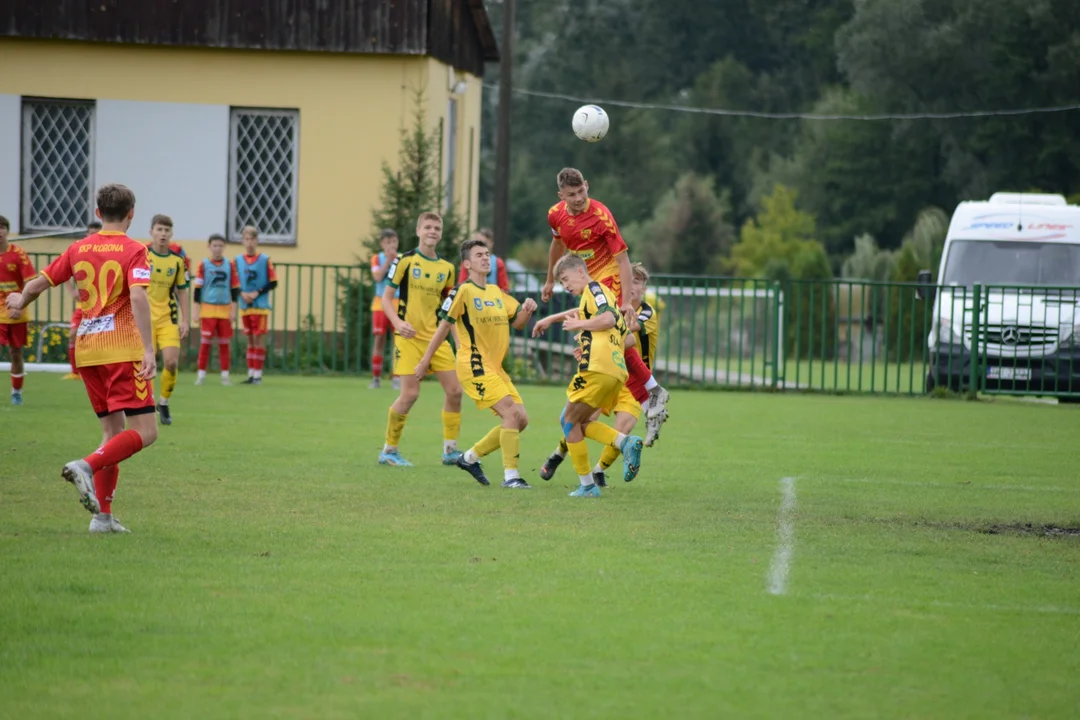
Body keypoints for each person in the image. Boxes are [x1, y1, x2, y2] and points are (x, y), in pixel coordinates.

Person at [5, 183, 158, 533]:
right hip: (121, 350)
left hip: (88, 351)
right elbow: (137, 297)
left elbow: (40, 282)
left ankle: (102, 518)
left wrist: (20, 301)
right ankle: (85, 465)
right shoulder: (136, 250)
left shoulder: (78, 248)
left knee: (111, 433)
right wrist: (149, 349)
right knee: (146, 431)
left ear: (98, 212)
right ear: (132, 214)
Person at [543, 168, 670, 445]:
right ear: (561, 195)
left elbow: (623, 260)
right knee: (621, 342)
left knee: (614, 339)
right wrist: (550, 279)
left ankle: (651, 394)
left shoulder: (601, 216)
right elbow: (556, 245)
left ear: (587, 185)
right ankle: (651, 396)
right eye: (571, 194)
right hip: (584, 280)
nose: (578, 198)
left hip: (607, 277)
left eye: (582, 192)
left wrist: (625, 302)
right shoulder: (555, 215)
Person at [416, 238, 538, 488]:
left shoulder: (496, 293)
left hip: (496, 368)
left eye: (488, 254)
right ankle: (511, 477)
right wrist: (425, 360)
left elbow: (519, 323)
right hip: (474, 367)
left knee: (520, 420)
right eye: (480, 255)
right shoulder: (462, 291)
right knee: (512, 414)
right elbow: (444, 327)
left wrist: (528, 309)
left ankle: (469, 458)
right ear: (468, 264)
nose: (486, 258)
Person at [532, 254, 644, 498]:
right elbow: (629, 338)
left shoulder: (594, 290)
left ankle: (588, 486)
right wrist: (589, 344)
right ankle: (623, 443)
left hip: (597, 369)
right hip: (614, 372)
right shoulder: (603, 297)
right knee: (580, 423)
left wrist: (579, 326)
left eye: (565, 279)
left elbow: (609, 319)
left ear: (581, 272)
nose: (565, 285)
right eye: (561, 282)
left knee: (568, 422)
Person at [378, 212, 463, 467]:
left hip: (436, 339)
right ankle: (389, 451)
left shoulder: (447, 268)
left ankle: (450, 451)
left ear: (441, 233)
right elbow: (386, 298)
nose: (432, 231)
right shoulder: (405, 261)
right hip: (409, 339)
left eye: (437, 228)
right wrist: (398, 323)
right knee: (410, 395)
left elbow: (451, 311)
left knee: (455, 391)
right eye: (428, 227)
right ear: (418, 230)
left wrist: (459, 343)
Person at [145, 214, 189, 424]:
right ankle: (144, 404)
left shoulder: (178, 262)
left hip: (167, 318)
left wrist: (186, 320)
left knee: (171, 362)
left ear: (171, 234)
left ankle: (163, 402)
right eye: (159, 230)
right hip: (144, 319)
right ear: (151, 232)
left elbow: (183, 291)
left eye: (166, 230)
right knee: (146, 365)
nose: (163, 234)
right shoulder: (142, 256)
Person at [192, 234, 239, 385]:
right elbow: (197, 289)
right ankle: (201, 375)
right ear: (209, 247)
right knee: (205, 343)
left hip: (224, 309)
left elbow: (234, 289)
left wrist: (233, 310)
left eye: (220, 245)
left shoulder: (230, 265)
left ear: (224, 247)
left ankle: (225, 375)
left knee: (224, 344)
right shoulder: (204, 265)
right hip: (208, 309)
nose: (217, 248)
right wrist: (195, 309)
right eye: (214, 245)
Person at [0, 215, 35, 405]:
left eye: (2, 227)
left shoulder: (18, 254)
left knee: (15, 353)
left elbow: (30, 283)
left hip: (16, 312)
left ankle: (16, 391)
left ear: (7, 231)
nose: (0, 231)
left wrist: (21, 306)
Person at [236, 225, 277, 385]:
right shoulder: (238, 261)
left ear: (257, 240)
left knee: (258, 338)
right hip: (245, 305)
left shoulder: (265, 260)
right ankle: (251, 374)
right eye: (246, 239)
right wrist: (241, 293)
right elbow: (234, 282)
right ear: (242, 241)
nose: (249, 242)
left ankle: (258, 375)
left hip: (260, 305)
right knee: (250, 339)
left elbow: (273, 282)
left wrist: (257, 292)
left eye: (252, 239)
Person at [63, 220, 104, 380]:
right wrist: (72, 291)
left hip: (102, 305)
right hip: (84, 304)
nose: (93, 237)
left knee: (101, 339)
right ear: (87, 234)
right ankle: (75, 372)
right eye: (91, 234)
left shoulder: (108, 251)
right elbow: (63, 269)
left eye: (97, 233)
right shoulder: (79, 249)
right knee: (74, 333)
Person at [369, 228, 401, 390]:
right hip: (380, 304)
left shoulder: (403, 259)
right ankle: (376, 378)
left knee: (398, 341)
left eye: (394, 242)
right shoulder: (377, 258)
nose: (391, 246)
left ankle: (396, 378)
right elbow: (377, 277)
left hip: (397, 303)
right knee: (379, 339)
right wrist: (388, 261)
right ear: (382, 244)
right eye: (387, 243)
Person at [457, 228, 510, 293]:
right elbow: (461, 284)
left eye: (484, 243)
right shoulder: (467, 262)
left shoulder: (498, 262)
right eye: (477, 243)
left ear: (491, 243)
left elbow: (504, 289)